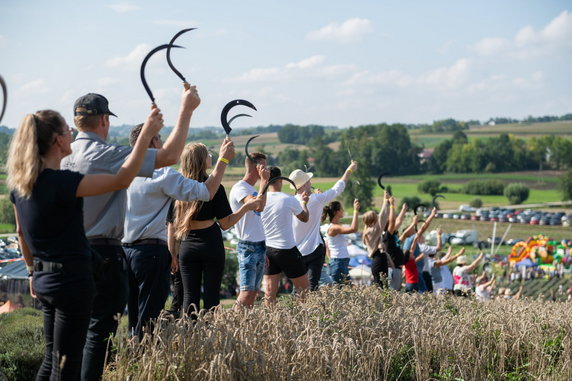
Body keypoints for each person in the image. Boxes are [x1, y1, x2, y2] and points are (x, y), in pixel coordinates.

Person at [8, 108, 163, 380]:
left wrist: (33, 270)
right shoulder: (62, 183)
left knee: (52, 361)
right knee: (67, 366)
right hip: (71, 282)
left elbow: (21, 233)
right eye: (68, 130)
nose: (72, 134)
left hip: (44, 278)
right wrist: (147, 133)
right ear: (57, 140)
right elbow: (122, 179)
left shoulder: (21, 186)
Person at [61, 89, 199, 381]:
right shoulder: (106, 155)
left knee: (70, 336)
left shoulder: (62, 157)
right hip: (104, 254)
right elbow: (171, 155)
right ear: (103, 121)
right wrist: (186, 109)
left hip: (68, 253)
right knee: (98, 335)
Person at [123, 125, 234, 340]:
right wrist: (224, 160)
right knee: (149, 317)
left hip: (126, 250)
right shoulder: (163, 175)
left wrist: (172, 253)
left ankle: (132, 357)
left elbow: (172, 223)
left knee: (135, 314)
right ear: (153, 142)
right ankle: (147, 356)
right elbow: (205, 192)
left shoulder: (122, 170)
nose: (164, 144)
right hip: (151, 252)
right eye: (160, 139)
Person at [170, 143, 261, 316]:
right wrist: (246, 208)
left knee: (190, 297)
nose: (210, 157)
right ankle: (211, 338)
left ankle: (190, 336)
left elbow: (171, 225)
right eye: (208, 154)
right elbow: (226, 223)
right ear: (202, 161)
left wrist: (172, 253)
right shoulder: (214, 188)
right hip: (211, 244)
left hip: (187, 245)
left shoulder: (179, 186)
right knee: (212, 298)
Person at [290, 161, 357, 290]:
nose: (310, 183)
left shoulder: (290, 202)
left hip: (296, 251)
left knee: (298, 287)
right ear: (304, 184)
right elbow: (338, 188)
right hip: (314, 249)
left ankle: (296, 309)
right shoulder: (316, 199)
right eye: (308, 181)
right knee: (312, 286)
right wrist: (349, 170)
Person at [260, 167, 310, 305]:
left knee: (269, 294)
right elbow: (304, 218)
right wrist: (304, 203)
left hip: (267, 250)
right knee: (303, 290)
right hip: (286, 249)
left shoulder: (260, 199)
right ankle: (302, 320)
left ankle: (269, 323)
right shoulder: (288, 198)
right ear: (281, 180)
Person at [228, 152, 269, 309]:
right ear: (255, 167)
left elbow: (260, 210)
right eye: (263, 167)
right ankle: (232, 324)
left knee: (253, 292)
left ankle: (244, 327)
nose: (266, 171)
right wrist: (264, 181)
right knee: (246, 292)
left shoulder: (252, 188)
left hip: (259, 244)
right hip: (248, 246)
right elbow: (258, 205)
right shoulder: (240, 188)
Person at [323, 199, 360, 285]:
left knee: (343, 292)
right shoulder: (334, 228)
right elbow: (353, 229)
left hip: (339, 262)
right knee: (339, 292)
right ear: (336, 212)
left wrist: (331, 259)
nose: (343, 210)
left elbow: (327, 245)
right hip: (338, 263)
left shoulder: (334, 227)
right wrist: (356, 210)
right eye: (341, 209)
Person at [402, 208, 438, 292]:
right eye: (412, 229)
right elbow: (423, 228)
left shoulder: (409, 241)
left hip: (417, 273)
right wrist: (432, 215)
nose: (415, 230)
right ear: (408, 232)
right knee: (424, 294)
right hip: (416, 274)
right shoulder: (410, 239)